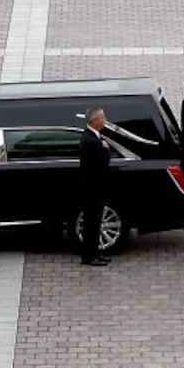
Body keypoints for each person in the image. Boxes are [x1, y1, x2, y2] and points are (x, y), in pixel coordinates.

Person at [78, 105, 112, 266]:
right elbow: (101, 162)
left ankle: (95, 253)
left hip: (92, 188)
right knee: (91, 224)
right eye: (103, 118)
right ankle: (89, 255)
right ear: (96, 121)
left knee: (95, 223)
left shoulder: (92, 137)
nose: (105, 120)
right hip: (92, 190)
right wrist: (106, 150)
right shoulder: (91, 141)